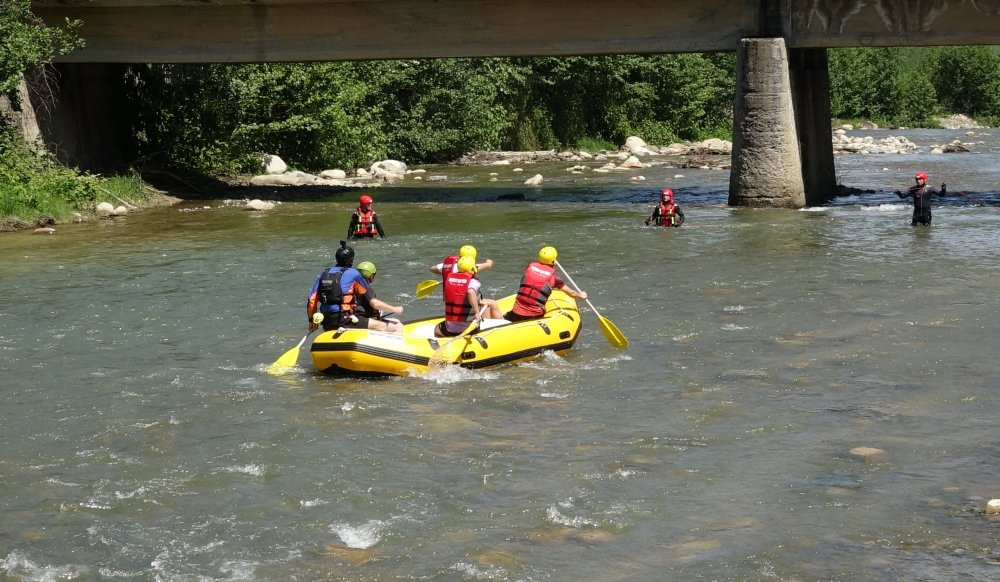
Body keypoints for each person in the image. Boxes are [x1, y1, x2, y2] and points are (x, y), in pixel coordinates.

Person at [306, 241, 403, 333]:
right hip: (345, 319)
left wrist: (311, 320)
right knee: (385, 326)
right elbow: (373, 303)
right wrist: (395, 309)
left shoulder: (324, 273)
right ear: (351, 260)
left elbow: (311, 300)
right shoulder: (354, 274)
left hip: (326, 321)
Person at [503, 246, 588, 322]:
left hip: (516, 312)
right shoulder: (554, 279)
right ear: (554, 261)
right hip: (533, 316)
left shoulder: (529, 267)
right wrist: (581, 295)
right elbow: (572, 293)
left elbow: (534, 279)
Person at [435, 255, 503, 337]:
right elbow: (470, 292)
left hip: (449, 329)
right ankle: (501, 329)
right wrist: (477, 312)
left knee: (437, 328)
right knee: (486, 307)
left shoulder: (449, 280)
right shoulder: (473, 282)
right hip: (468, 329)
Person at [429, 244, 493, 283]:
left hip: (449, 300)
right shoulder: (469, 267)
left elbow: (432, 269)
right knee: (492, 303)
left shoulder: (448, 265)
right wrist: (488, 264)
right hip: (466, 302)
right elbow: (476, 267)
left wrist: (447, 274)